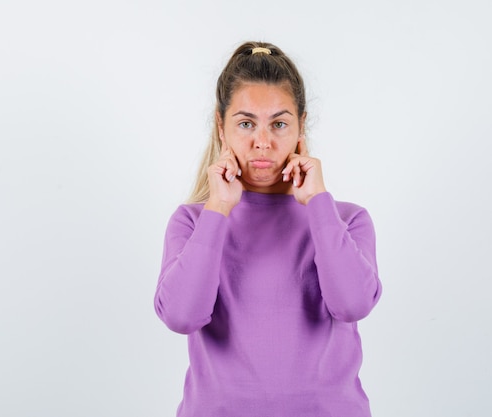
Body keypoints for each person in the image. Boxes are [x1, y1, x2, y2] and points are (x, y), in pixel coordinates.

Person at [154, 41, 382, 417]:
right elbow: (181, 315)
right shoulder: (194, 221)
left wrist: (318, 204)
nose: (263, 142)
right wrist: (218, 208)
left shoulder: (346, 220)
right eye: (246, 123)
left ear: (301, 126)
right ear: (221, 126)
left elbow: (352, 304)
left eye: (279, 123)